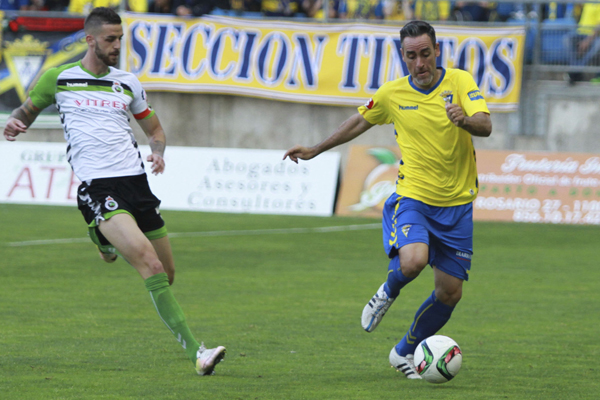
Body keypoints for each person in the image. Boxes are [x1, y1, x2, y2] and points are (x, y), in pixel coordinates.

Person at [3, 7, 226, 376]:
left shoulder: (127, 82)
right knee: (149, 265)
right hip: (97, 185)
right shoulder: (58, 78)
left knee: (166, 275)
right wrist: (14, 122)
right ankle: (197, 354)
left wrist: (157, 153)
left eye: (120, 39)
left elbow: (155, 131)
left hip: (136, 184)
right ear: (89, 40)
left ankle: (101, 239)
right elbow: (24, 112)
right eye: (110, 39)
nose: (117, 45)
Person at [283, 20, 491, 379]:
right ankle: (387, 291)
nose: (420, 63)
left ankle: (403, 352)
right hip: (414, 198)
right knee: (412, 261)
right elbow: (357, 123)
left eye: (426, 54)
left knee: (449, 294)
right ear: (403, 56)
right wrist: (316, 149)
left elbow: (485, 124)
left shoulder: (460, 82)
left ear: (437, 51)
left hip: (457, 207)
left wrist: (465, 121)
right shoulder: (393, 94)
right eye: (411, 56)